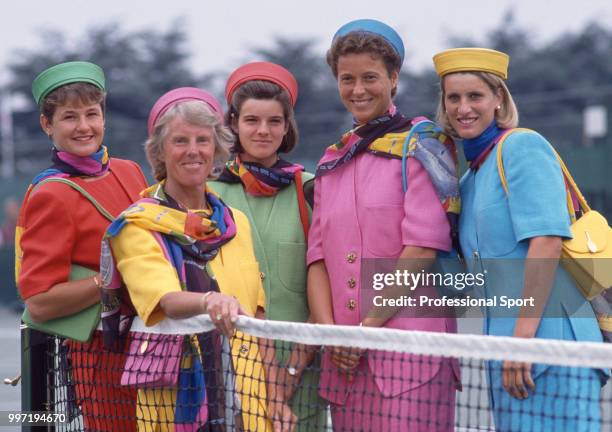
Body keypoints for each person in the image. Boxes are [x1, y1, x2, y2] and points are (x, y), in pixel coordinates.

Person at [433, 47, 609, 431]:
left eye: (475, 96)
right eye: (454, 97)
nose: (464, 107)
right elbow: (466, 284)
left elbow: (546, 241)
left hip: (548, 343)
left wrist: (523, 341)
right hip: (504, 352)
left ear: (499, 99)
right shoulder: (467, 181)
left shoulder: (522, 146)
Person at [102, 87, 296, 432]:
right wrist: (210, 301)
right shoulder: (136, 226)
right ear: (159, 151)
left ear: (217, 149)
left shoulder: (237, 223)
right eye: (180, 141)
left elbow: (258, 317)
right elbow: (166, 301)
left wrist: (277, 401)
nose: (193, 151)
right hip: (174, 401)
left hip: (246, 400)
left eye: (203, 141)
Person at [307, 19, 461, 431]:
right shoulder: (329, 161)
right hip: (345, 366)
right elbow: (317, 259)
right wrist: (334, 338)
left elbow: (423, 248)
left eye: (370, 77)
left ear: (393, 79)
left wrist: (366, 330)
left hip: (412, 357)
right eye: (347, 79)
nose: (358, 90)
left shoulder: (424, 144)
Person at [15, 61, 148, 431]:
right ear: (47, 125)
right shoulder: (52, 193)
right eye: (70, 117)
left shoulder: (128, 170)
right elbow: (39, 301)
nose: (84, 126)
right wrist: (109, 279)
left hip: (154, 342)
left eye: (92, 113)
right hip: (102, 357)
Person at [209, 61, 327, 430]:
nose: (263, 131)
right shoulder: (207, 192)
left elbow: (326, 283)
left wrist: (291, 371)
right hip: (226, 374)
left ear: (287, 126)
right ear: (233, 124)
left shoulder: (310, 189)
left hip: (303, 377)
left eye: (274, 121)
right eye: (251, 120)